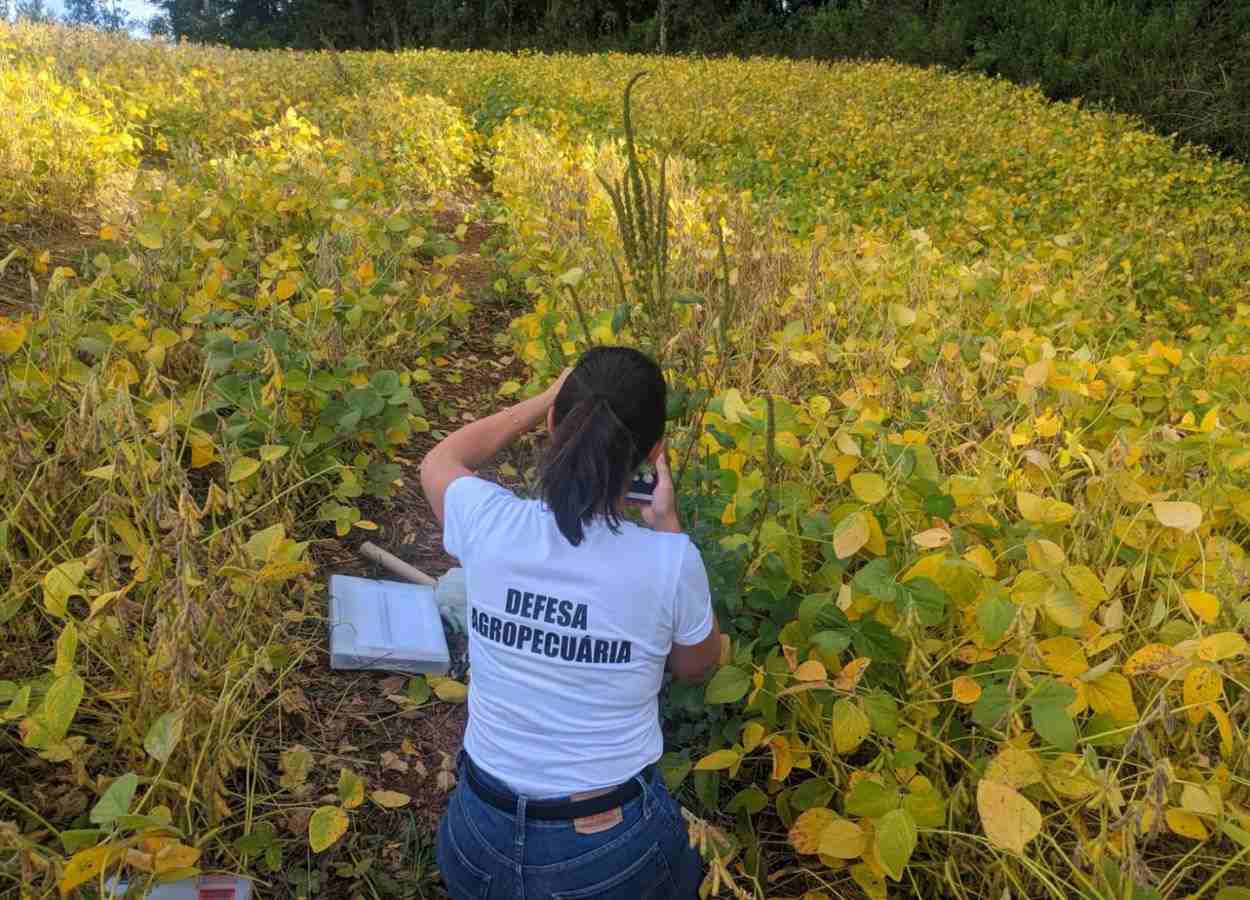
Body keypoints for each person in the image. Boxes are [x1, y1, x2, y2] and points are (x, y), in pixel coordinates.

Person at [420, 346, 721, 899]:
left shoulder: (490, 523)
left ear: (556, 425)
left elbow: (439, 461)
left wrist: (543, 401)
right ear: (652, 452)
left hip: (476, 833)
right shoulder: (668, 560)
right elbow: (698, 665)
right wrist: (668, 525)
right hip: (607, 851)